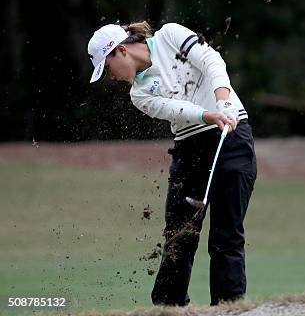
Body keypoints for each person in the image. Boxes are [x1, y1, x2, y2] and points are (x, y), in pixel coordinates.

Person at [87, 21, 257, 307]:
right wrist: (209, 114)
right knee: (180, 236)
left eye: (107, 68)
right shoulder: (139, 94)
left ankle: (229, 308)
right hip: (190, 148)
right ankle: (168, 309)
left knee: (226, 234)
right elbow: (177, 109)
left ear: (120, 51)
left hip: (232, 139)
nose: (111, 78)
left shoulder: (170, 35)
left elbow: (210, 59)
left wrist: (223, 101)